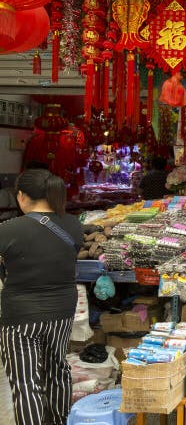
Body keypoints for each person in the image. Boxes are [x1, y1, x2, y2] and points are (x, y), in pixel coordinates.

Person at [0, 169, 82, 425]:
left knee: (26, 382)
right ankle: (61, 421)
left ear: (22, 196)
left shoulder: (8, 229)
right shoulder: (73, 225)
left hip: (21, 316)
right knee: (58, 369)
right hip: (62, 311)